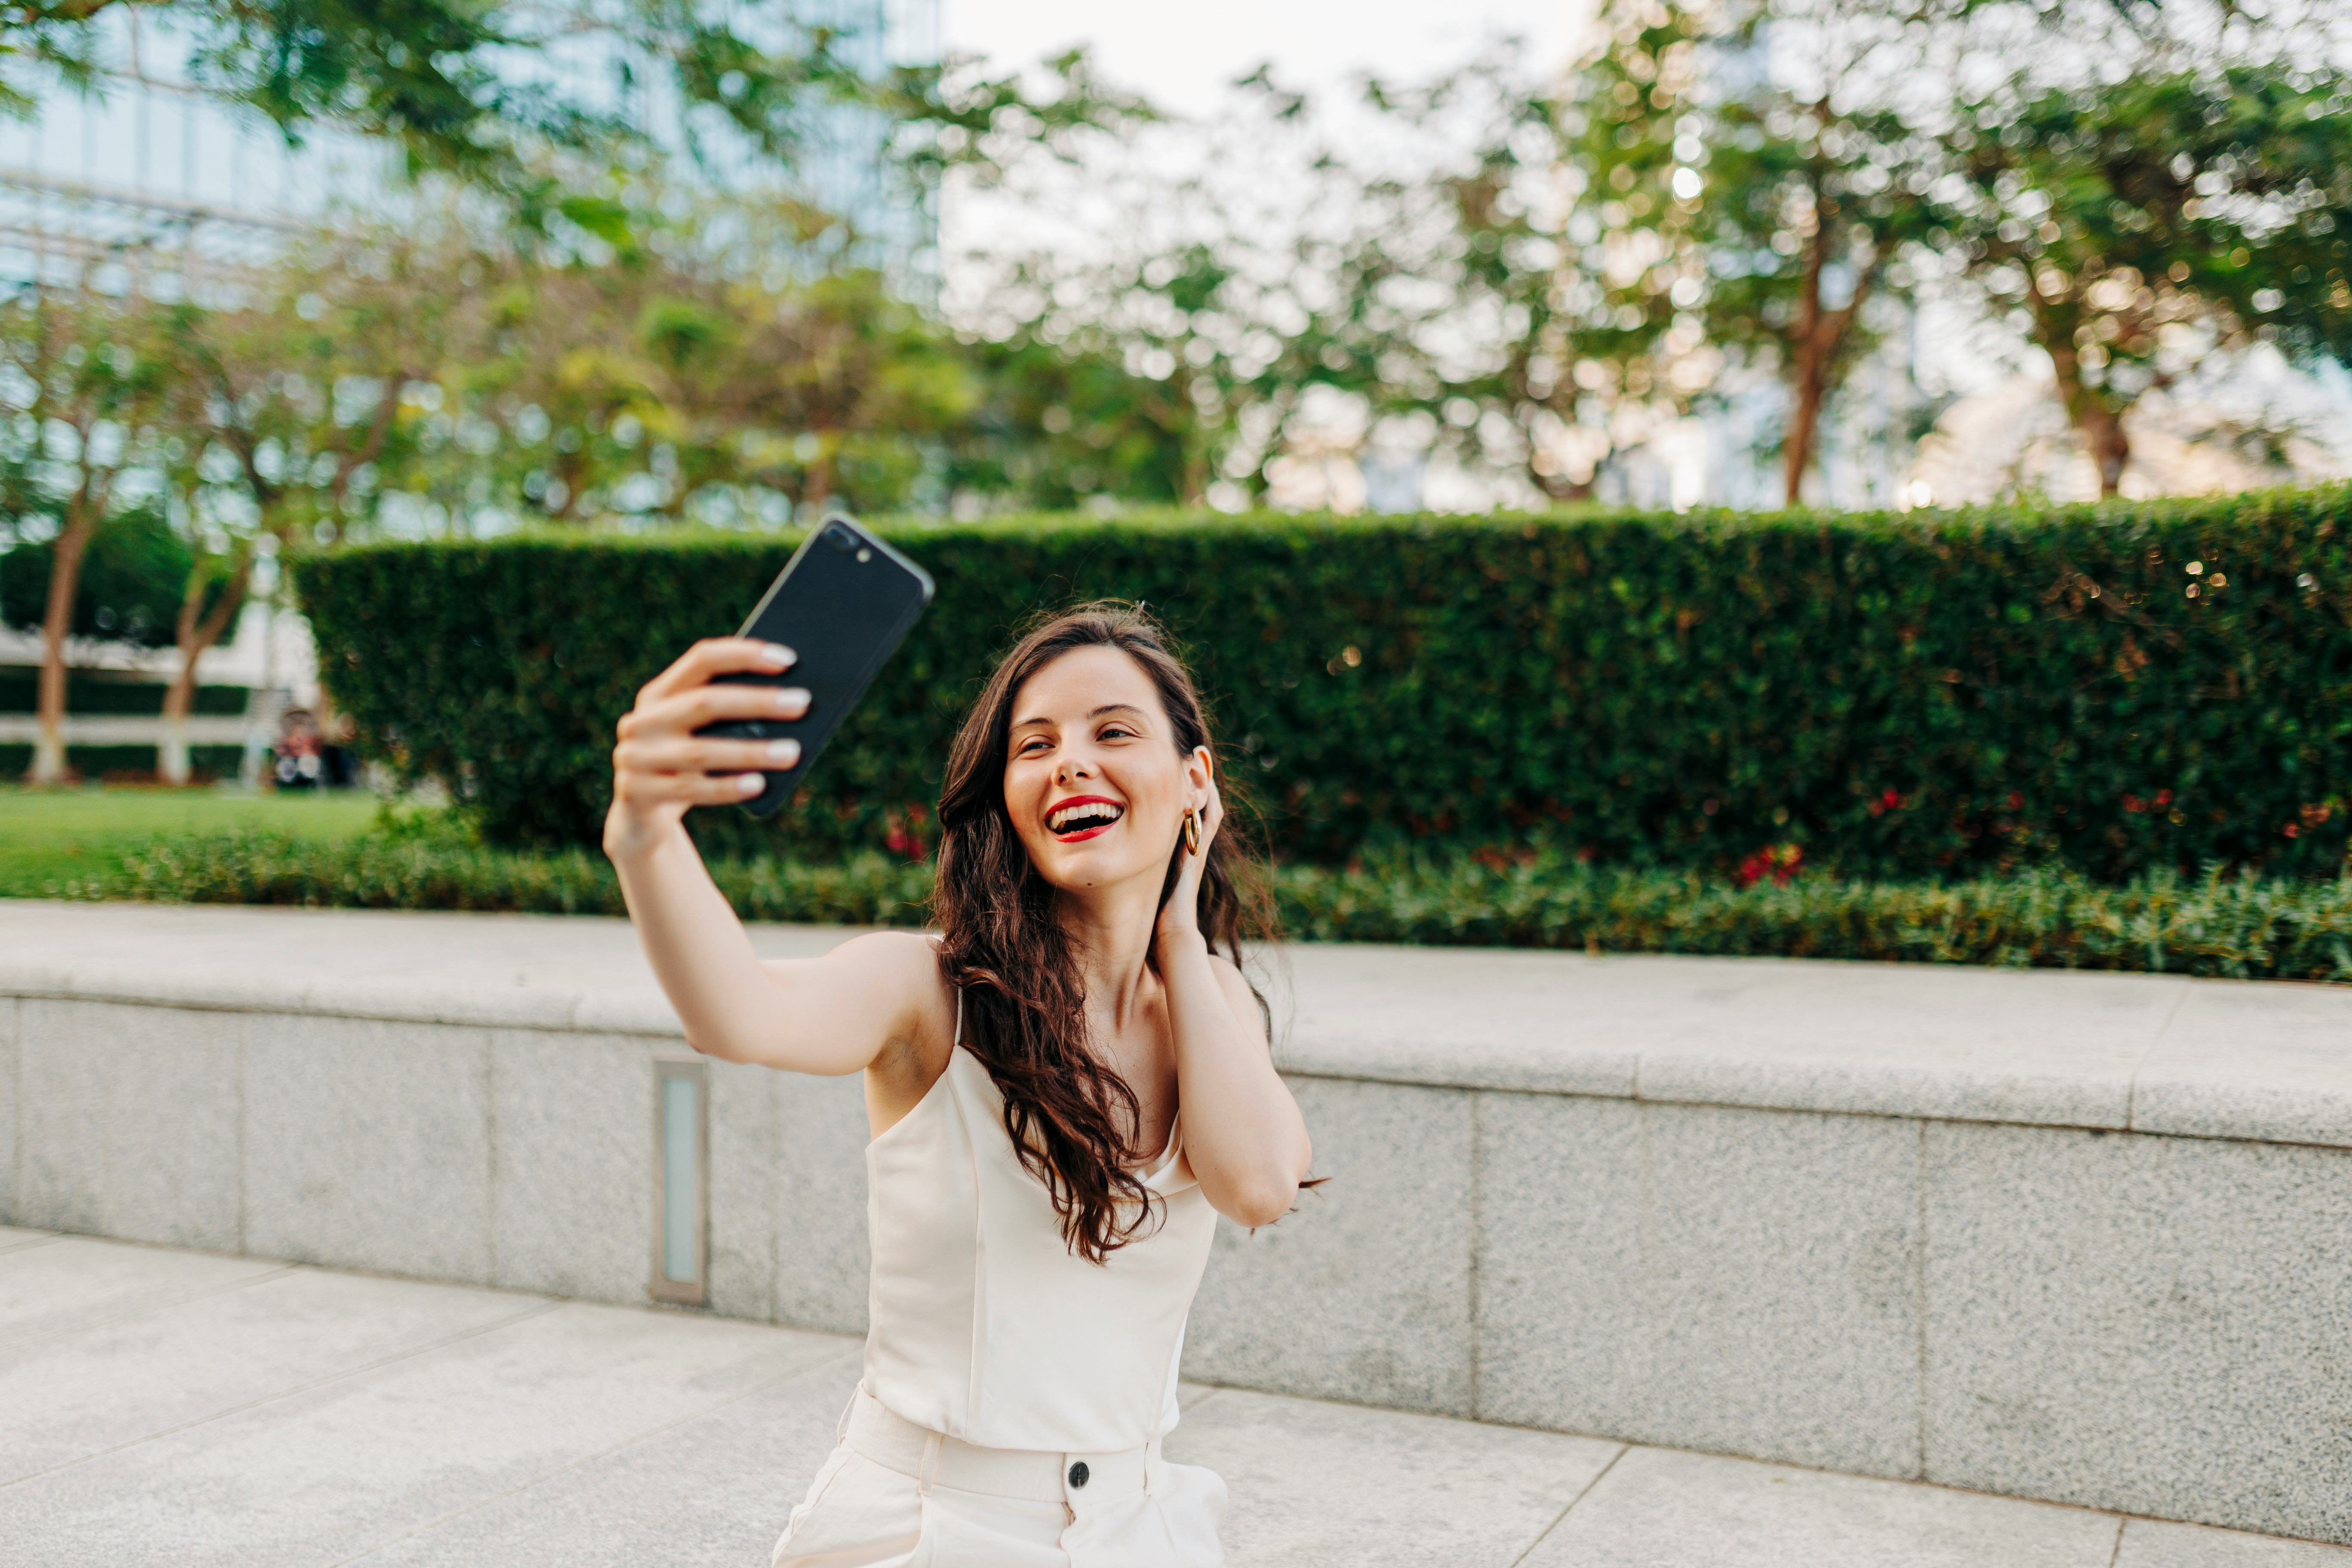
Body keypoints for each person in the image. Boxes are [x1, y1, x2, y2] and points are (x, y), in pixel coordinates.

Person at [605, 601, 1316, 1567]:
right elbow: (739, 1014)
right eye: (1035, 745)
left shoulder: (1213, 1002)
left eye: (1113, 732)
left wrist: (1181, 940)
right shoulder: (929, 988)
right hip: (934, 1525)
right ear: (1006, 794)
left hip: (1139, 1522)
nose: (1070, 762)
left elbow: (1259, 1187)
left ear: (1197, 779)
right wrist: (645, 834)